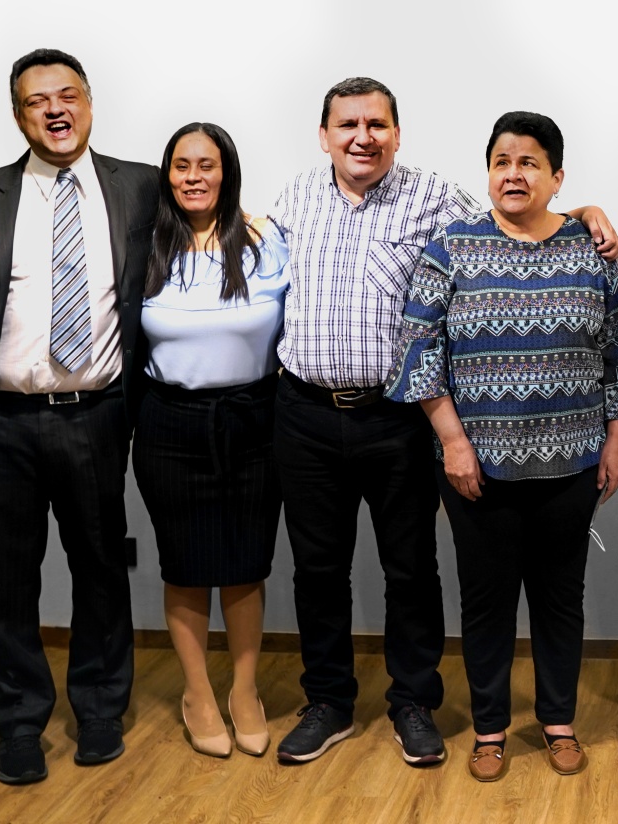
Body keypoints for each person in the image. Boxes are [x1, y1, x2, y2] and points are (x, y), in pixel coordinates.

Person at [386, 111, 618, 783]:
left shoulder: (591, 251)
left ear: (557, 177)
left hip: (574, 459)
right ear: (489, 172)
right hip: (478, 465)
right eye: (503, 160)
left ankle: (558, 721)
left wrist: (616, 439)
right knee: (488, 598)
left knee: (561, 595)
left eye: (530, 162)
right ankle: (491, 727)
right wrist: (452, 442)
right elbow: (419, 349)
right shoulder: (452, 247)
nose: (514, 173)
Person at [0, 49, 157, 784]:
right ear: (19, 114)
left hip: (97, 416)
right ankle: (20, 720)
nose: (55, 111)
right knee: (6, 576)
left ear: (90, 103)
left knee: (100, 567)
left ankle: (98, 708)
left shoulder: (142, 188)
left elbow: (200, 236)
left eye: (68, 96)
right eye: (37, 102)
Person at [268, 76, 472, 767]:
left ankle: (413, 700)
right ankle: (328, 701)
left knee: (410, 567)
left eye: (377, 124)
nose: (363, 137)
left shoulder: (436, 197)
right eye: (348, 124)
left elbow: (508, 235)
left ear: (397, 132)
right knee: (317, 569)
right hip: (303, 413)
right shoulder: (293, 199)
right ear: (324, 135)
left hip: (398, 419)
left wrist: (588, 213)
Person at [134, 122, 288, 759]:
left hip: (256, 418)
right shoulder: (142, 244)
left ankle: (244, 690)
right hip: (170, 422)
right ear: (166, 174)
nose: (194, 176)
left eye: (207, 164)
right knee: (188, 565)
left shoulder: (266, 238)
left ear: (228, 172)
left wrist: (581, 209)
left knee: (247, 564)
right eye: (181, 165)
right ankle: (198, 692)